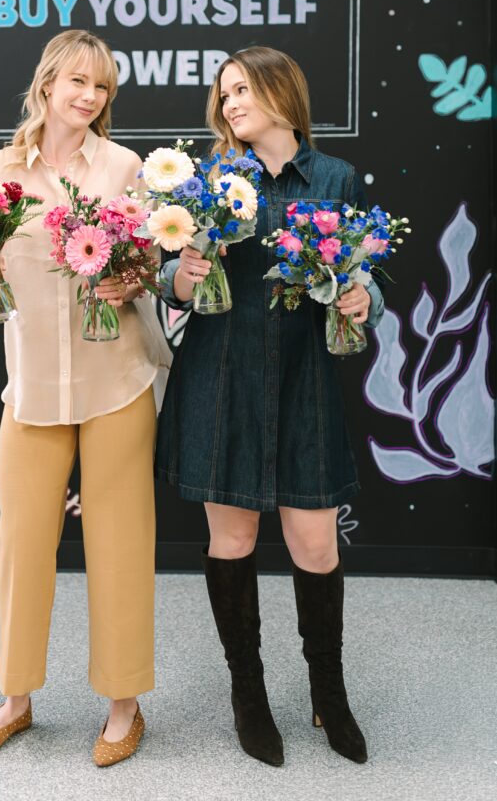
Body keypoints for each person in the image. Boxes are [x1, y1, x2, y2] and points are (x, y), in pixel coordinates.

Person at [156, 46, 385, 767]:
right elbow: (167, 278)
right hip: (221, 375)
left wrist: (363, 297)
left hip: (304, 378)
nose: (230, 104)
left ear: (282, 92)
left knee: (315, 545)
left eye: (242, 90)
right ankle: (247, 695)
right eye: (223, 94)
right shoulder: (208, 183)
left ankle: (329, 693)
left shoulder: (334, 178)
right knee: (232, 540)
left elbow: (365, 274)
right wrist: (183, 273)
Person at [0, 29, 170, 766]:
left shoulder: (124, 167)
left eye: (102, 86)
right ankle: (15, 699)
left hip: (117, 380)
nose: (89, 95)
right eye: (78, 80)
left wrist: (133, 279)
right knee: (19, 543)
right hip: (32, 386)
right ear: (47, 83)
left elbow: (150, 262)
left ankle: (123, 705)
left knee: (120, 541)